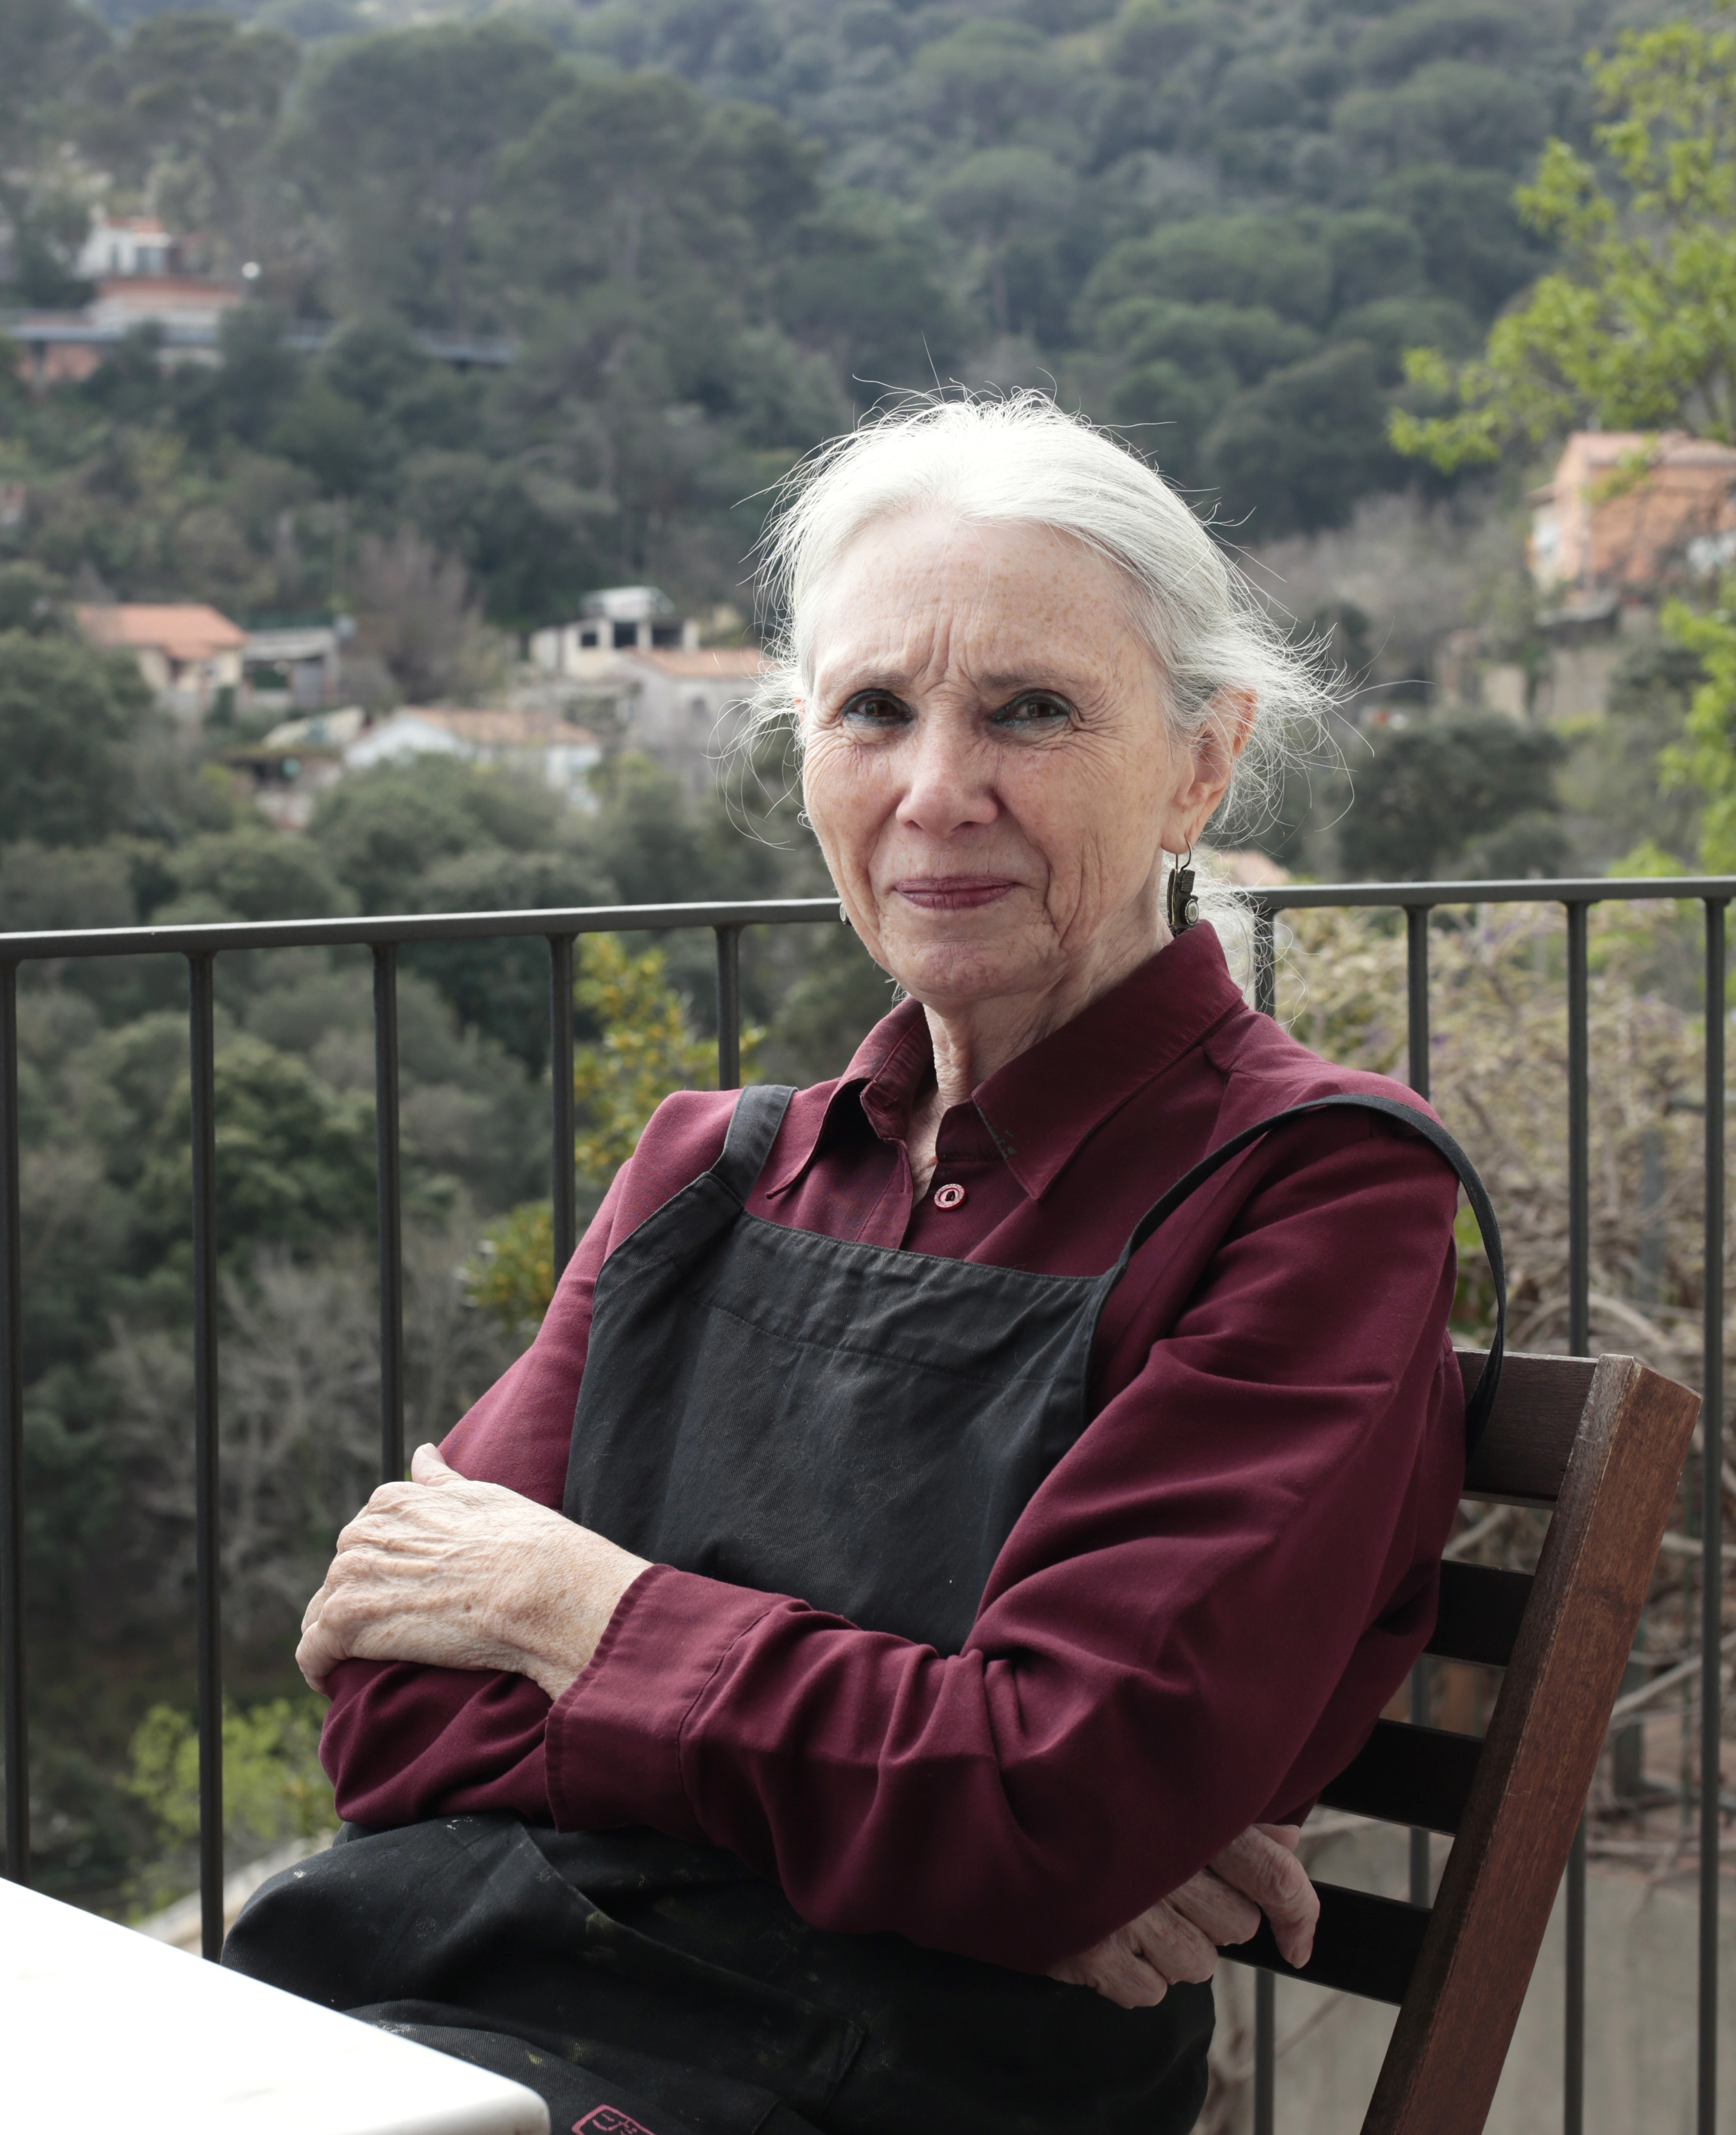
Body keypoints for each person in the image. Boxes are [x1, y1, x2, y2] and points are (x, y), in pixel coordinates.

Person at [225, 394, 1491, 2135]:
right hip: (441, 2017)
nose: (937, 791)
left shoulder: (1314, 1191)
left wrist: (569, 1612)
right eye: (874, 710)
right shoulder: (707, 1172)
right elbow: (389, 1716)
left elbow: (1044, 1806)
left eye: (1032, 710)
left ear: (1203, 763)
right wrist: (944, 1839)